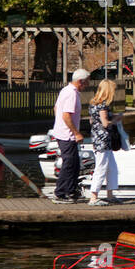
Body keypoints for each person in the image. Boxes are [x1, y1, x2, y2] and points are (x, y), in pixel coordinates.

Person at [51, 69, 90, 202]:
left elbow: (56, 108)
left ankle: (71, 191)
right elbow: (66, 115)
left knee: (75, 164)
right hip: (67, 135)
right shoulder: (72, 94)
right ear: (80, 81)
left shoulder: (65, 90)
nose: (88, 84)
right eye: (87, 82)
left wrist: (59, 124)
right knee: (69, 164)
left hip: (63, 132)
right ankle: (60, 192)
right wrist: (76, 133)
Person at [88, 79, 120, 205]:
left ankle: (110, 195)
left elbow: (91, 121)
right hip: (103, 140)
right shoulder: (102, 106)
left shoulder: (93, 104)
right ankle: (93, 197)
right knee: (101, 167)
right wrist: (116, 120)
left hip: (97, 138)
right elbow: (105, 123)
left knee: (111, 167)